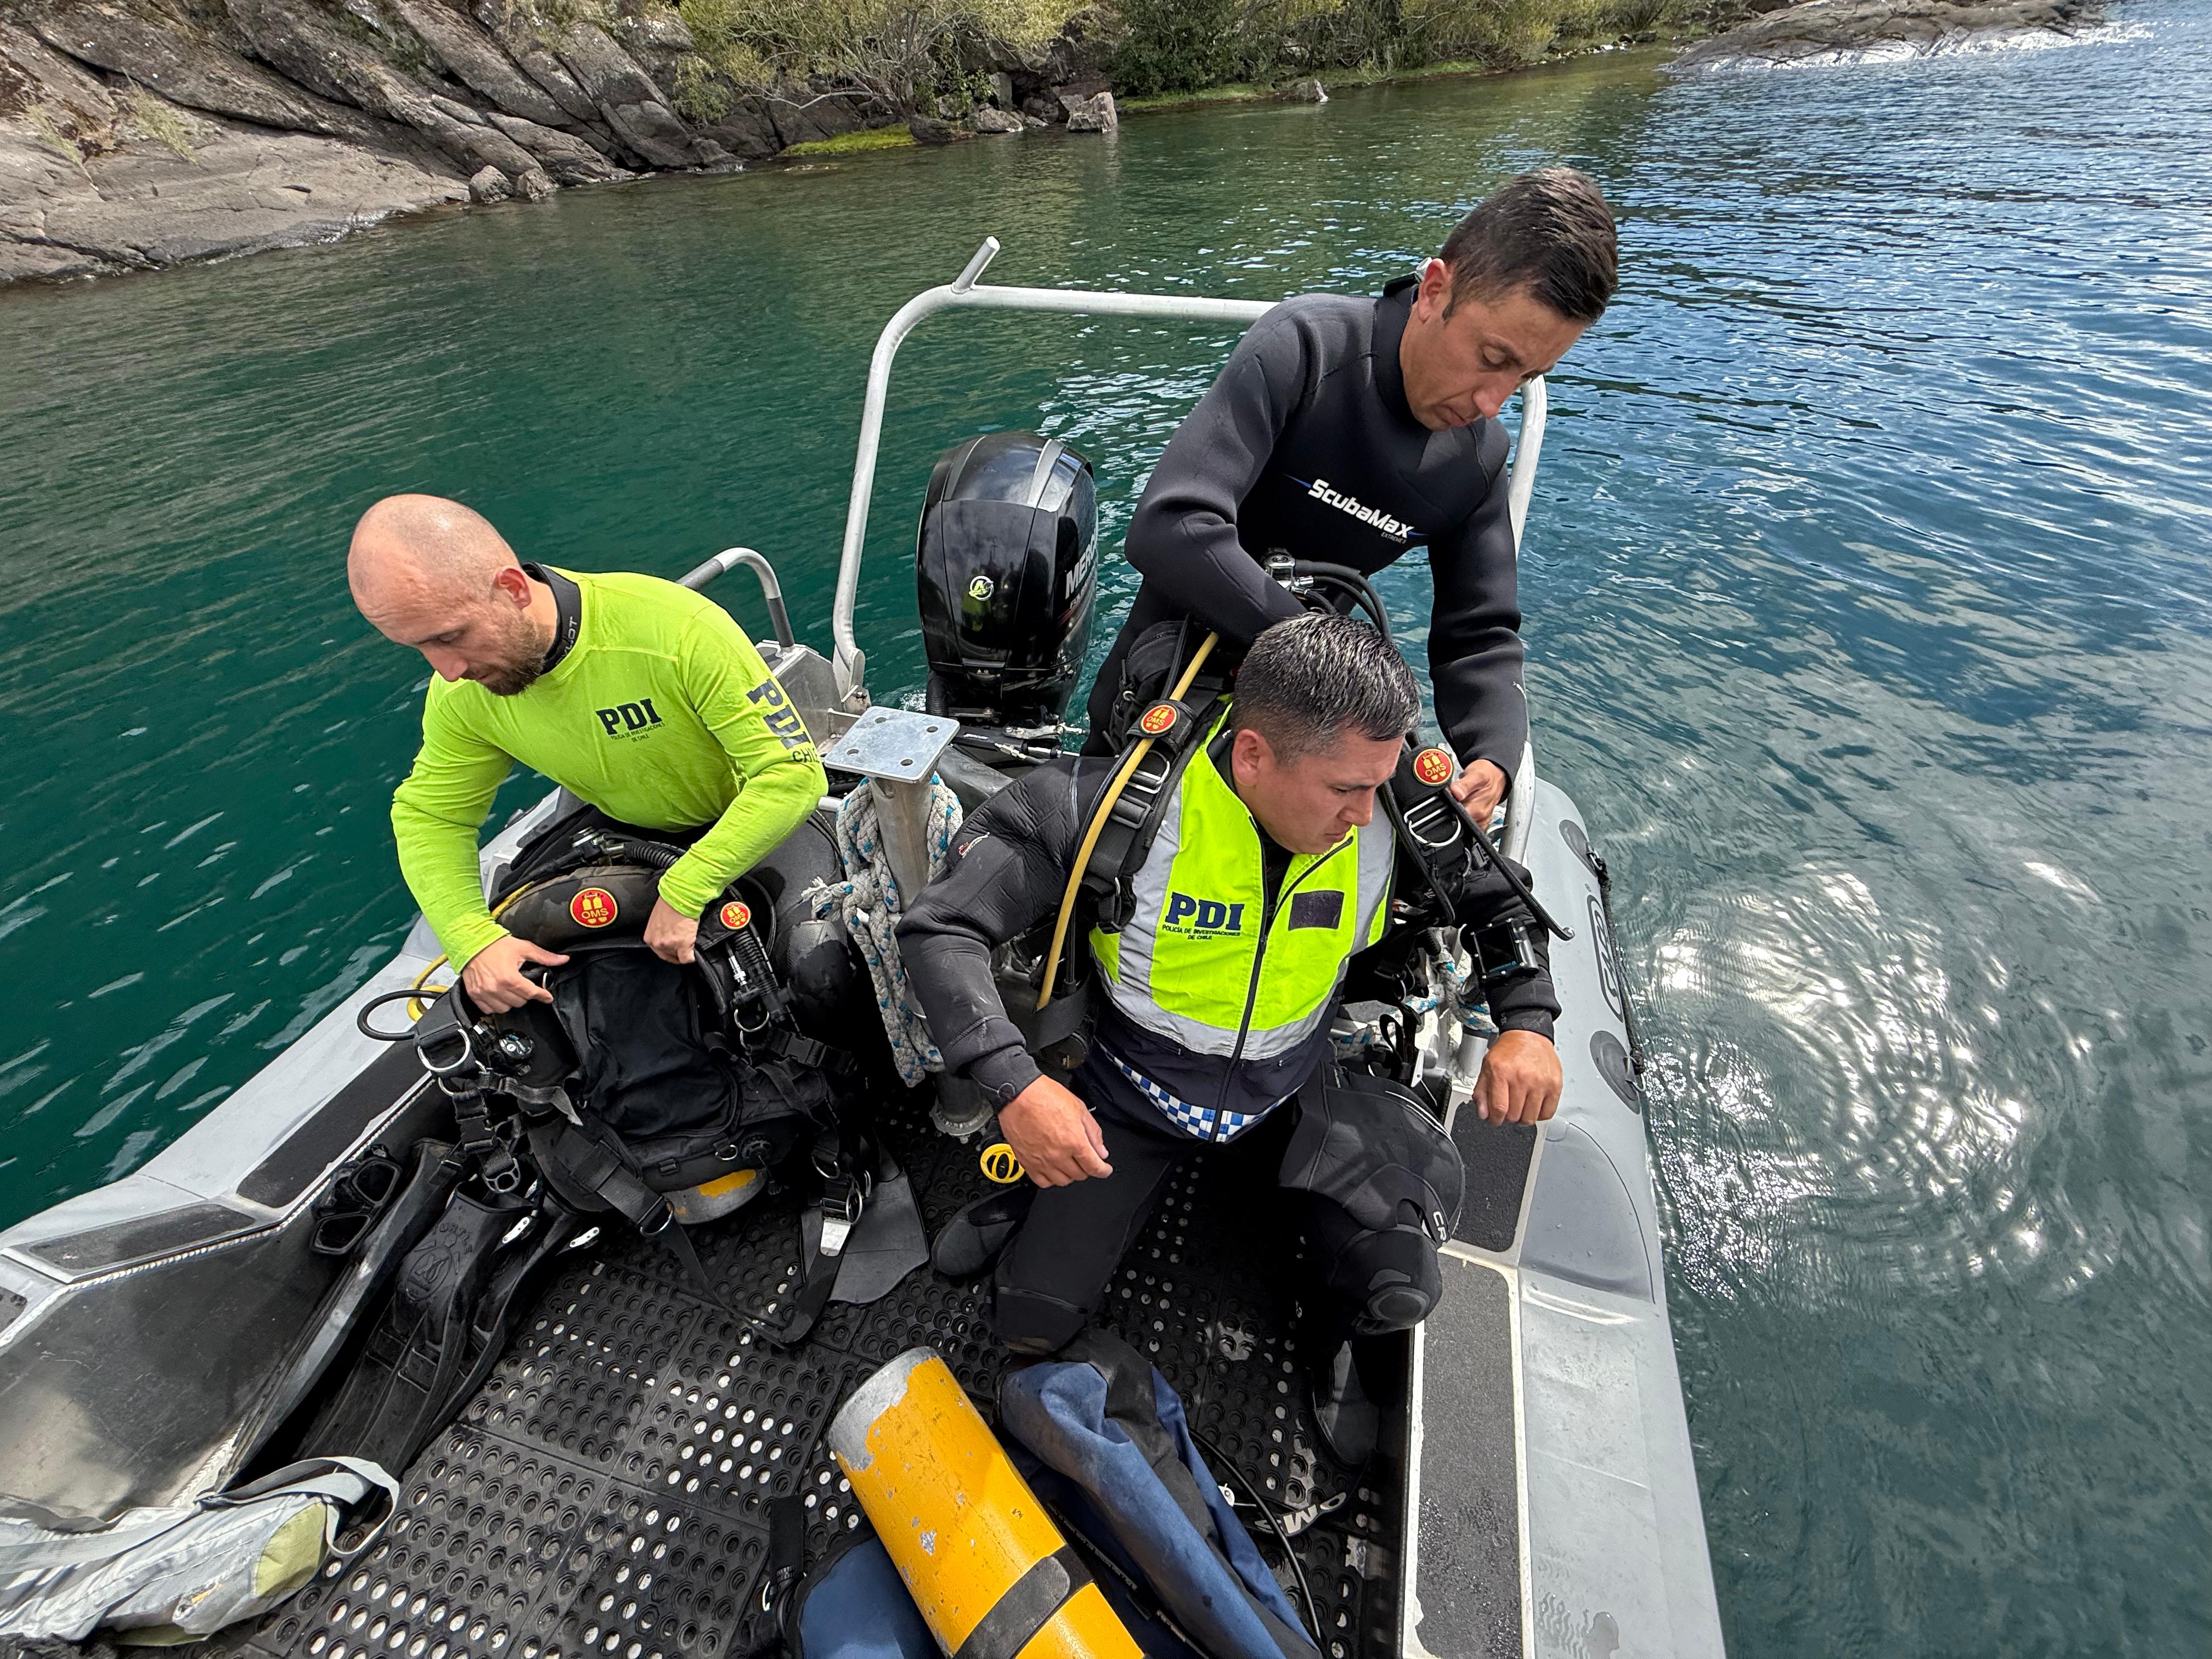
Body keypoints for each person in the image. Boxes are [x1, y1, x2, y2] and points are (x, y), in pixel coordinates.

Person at [899, 612, 1564, 1463]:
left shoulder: (1397, 816)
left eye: (1380, 784)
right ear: (1253, 755)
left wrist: (1528, 1021)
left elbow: (1503, 901)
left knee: (1397, 1281)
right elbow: (941, 927)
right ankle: (1033, 1201)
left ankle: (1334, 1337)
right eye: (1343, 791)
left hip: (1295, 1084)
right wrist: (1017, 1088)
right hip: (1131, 1096)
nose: (1367, 817)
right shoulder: (1112, 808)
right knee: (1030, 1323)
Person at [1088, 166, 1618, 826]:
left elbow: (1477, 633)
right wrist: (1316, 648)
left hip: (1319, 741)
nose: (1494, 401)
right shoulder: (1307, 349)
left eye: (1528, 375)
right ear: (1433, 290)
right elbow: (1171, 523)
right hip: (1162, 688)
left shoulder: (1476, 459)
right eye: (1491, 356)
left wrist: (1495, 756)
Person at [348, 494, 827, 1011]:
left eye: (450, 637)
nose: (445, 669)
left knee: (818, 976)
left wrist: (688, 888)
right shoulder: (463, 694)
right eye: (419, 647)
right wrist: (471, 941)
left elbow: (791, 776)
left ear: (512, 589)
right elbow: (431, 815)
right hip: (619, 824)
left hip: (752, 822)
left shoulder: (673, 629)